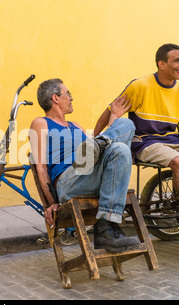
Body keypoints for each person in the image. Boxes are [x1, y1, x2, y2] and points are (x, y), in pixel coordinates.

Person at [94, 43, 179, 240]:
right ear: (161, 64)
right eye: (177, 60)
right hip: (144, 142)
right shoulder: (140, 85)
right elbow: (110, 112)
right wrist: (96, 141)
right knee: (177, 161)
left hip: (171, 139)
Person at [29, 78, 140, 252]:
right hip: (69, 181)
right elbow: (41, 167)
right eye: (68, 94)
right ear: (55, 98)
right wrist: (51, 203)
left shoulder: (76, 126)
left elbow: (106, 151)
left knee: (124, 135)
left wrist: (114, 117)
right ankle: (98, 142)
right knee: (105, 148)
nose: (72, 98)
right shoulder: (40, 123)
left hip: (90, 174)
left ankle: (105, 230)